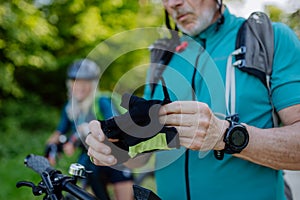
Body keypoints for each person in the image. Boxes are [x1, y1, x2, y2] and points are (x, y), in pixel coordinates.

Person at [85, 1, 300, 199]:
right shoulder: (163, 55)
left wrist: (226, 135)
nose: (172, 4)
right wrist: (117, 149)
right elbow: (150, 145)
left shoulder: (269, 38)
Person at [45, 58, 134, 200]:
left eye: (85, 82)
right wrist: (49, 147)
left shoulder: (101, 101)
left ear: (93, 84)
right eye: (76, 81)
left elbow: (116, 127)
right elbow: (59, 131)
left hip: (114, 158)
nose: (80, 86)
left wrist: (89, 130)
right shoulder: (70, 107)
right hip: (90, 161)